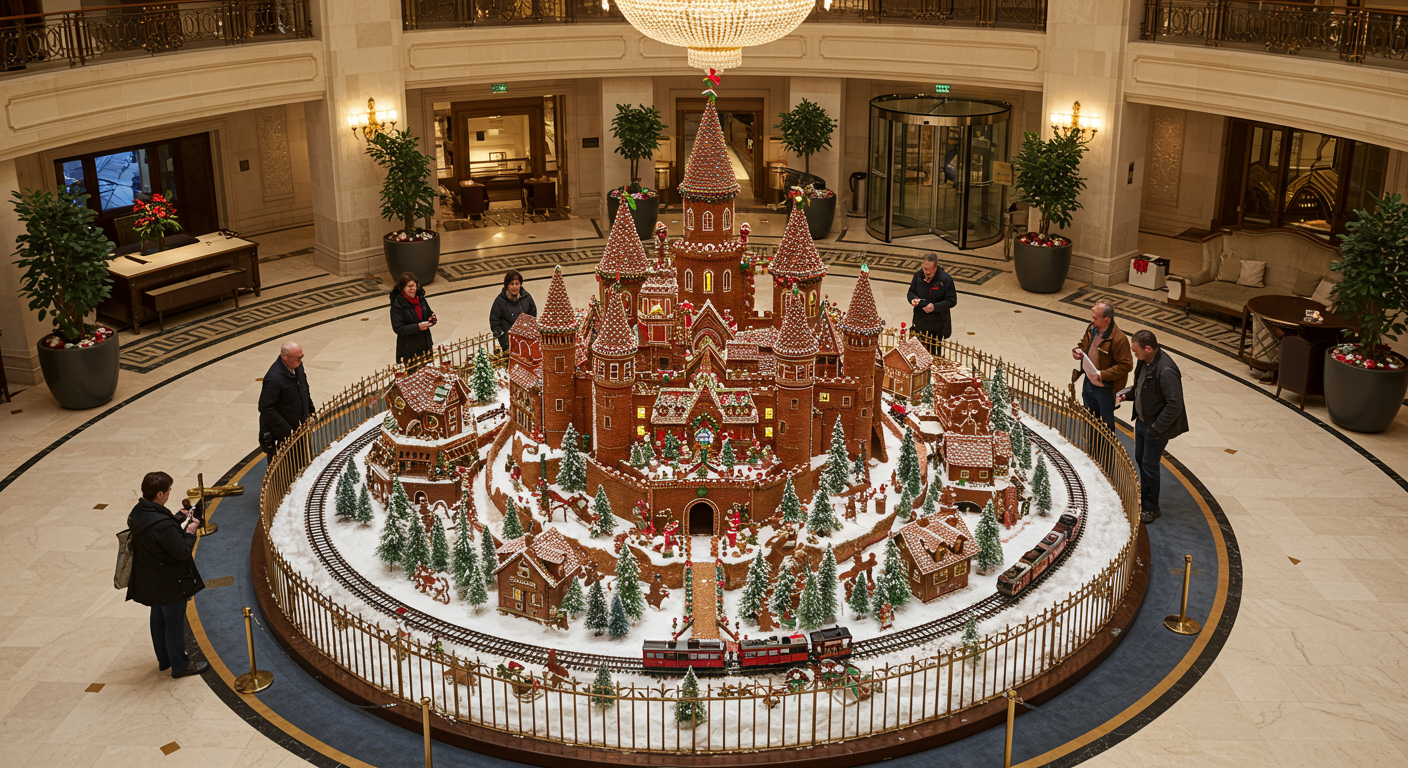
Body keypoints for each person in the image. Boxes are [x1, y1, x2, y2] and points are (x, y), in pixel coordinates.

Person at [126, 471, 208, 678]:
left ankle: (165, 659)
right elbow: (180, 551)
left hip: (151, 576)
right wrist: (190, 531)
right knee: (173, 621)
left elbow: (159, 532)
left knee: (158, 616)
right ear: (160, 493)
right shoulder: (161, 524)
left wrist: (179, 518)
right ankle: (180, 665)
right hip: (170, 580)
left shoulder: (139, 511)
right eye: (169, 490)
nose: (171, 493)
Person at [1117, 330, 1188, 524]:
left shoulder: (1166, 370)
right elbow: (1139, 388)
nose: (1134, 354)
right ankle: (1145, 496)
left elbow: (1175, 404)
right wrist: (1126, 395)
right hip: (1142, 422)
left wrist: (1157, 427)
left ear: (1148, 348)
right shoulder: (1145, 361)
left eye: (1135, 350)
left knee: (1150, 465)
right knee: (1141, 460)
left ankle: (1151, 507)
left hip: (1155, 428)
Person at [1071, 301, 1132, 435]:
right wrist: (1079, 350)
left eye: (1095, 317)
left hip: (1105, 386)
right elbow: (1084, 344)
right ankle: (1092, 445)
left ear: (1107, 320)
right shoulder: (1092, 329)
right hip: (1089, 379)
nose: (1092, 320)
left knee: (1106, 423)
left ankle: (1106, 451)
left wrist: (1102, 374)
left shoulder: (1119, 339)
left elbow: (1126, 365)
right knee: (1090, 416)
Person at [258, 340, 314, 456]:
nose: (300, 361)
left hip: (299, 427)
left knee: (301, 461)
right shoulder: (274, 379)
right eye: (297, 358)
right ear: (284, 357)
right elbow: (266, 407)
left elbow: (304, 389)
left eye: (301, 357)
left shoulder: (297, 366)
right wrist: (287, 431)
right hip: (284, 435)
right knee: (287, 467)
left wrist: (311, 410)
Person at [906, 253, 957, 356]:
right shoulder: (918, 276)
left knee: (934, 355)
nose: (926, 273)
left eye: (929, 270)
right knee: (919, 352)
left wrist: (935, 307)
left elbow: (952, 300)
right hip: (920, 321)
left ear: (936, 267)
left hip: (937, 324)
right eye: (924, 269)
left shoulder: (945, 279)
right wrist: (913, 299)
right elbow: (910, 292)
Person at [390, 272, 437, 365]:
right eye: (409, 286)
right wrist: (417, 327)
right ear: (402, 288)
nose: (412, 289)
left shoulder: (421, 299)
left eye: (414, 286)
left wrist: (432, 318)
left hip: (425, 343)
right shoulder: (397, 305)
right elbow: (398, 328)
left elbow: (428, 313)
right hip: (409, 349)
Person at [489, 270, 537, 352]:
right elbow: (494, 320)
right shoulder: (500, 301)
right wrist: (502, 337)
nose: (515, 287)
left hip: (525, 338)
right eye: (512, 284)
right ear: (507, 285)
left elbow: (532, 314)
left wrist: (529, 329)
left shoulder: (526, 297)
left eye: (517, 284)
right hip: (508, 341)